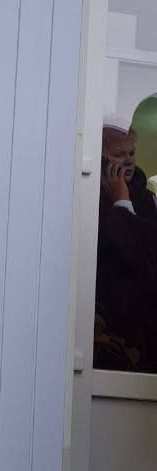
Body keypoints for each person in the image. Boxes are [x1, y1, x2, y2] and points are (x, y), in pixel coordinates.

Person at [94, 115, 157, 371]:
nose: (129, 160)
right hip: (108, 321)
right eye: (119, 154)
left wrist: (123, 200)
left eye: (131, 152)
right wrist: (120, 200)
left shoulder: (147, 200)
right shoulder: (91, 198)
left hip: (143, 325)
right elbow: (123, 254)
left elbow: (144, 258)